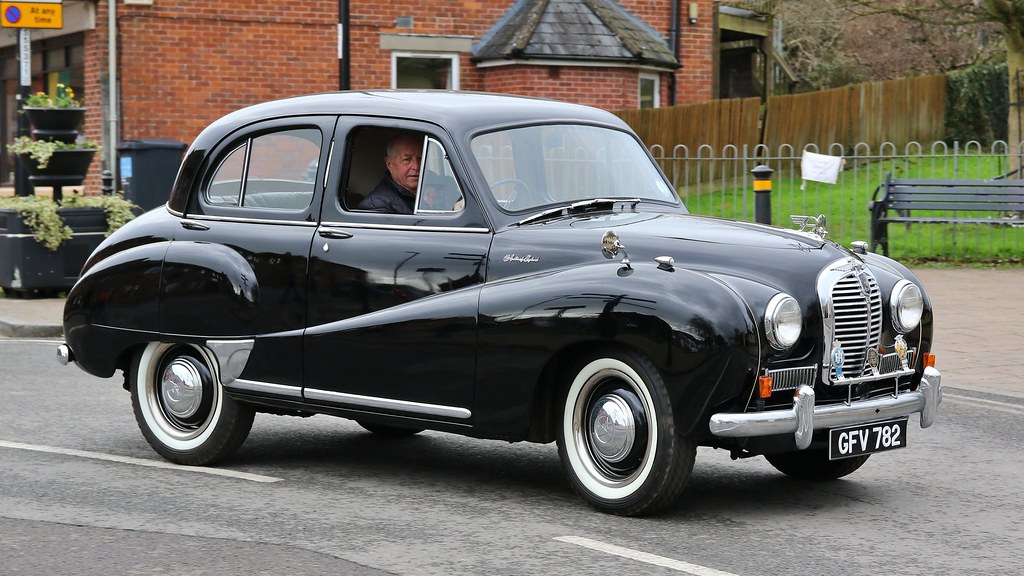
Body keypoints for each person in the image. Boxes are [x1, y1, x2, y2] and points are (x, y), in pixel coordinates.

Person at [358, 131, 422, 214]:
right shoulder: (377, 205)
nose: (416, 166)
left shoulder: (432, 184)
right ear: (390, 164)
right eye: (407, 159)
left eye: (420, 158)